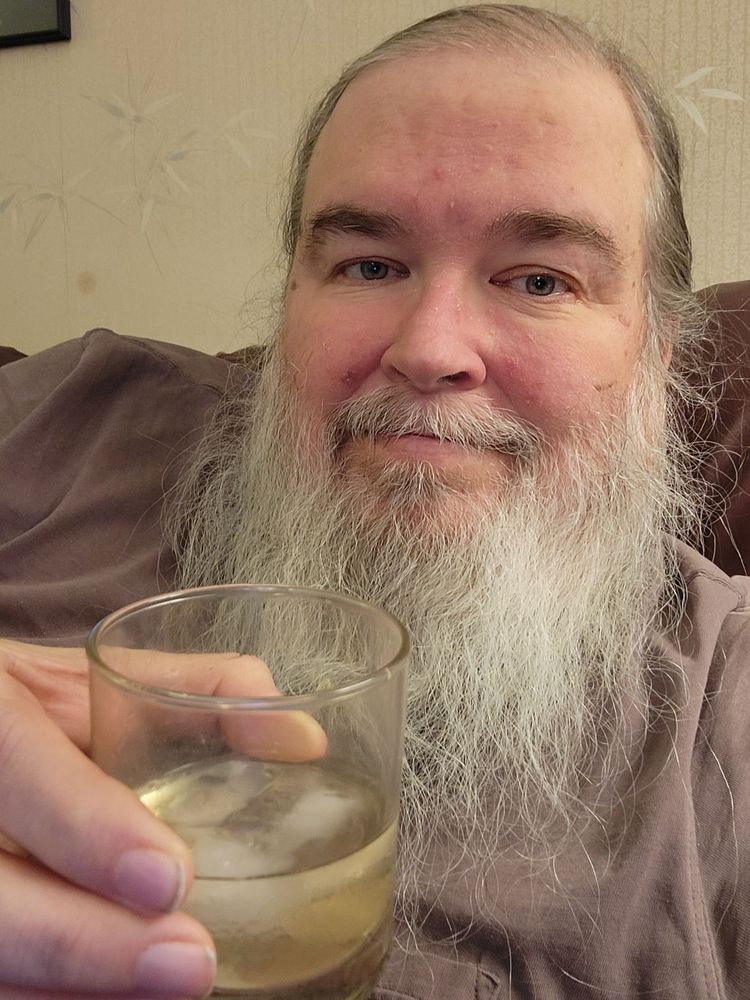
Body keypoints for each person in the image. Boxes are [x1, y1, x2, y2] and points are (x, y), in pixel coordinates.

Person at [0, 4, 748, 997]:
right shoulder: (62, 421)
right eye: (370, 265)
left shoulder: (725, 709)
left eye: (538, 279)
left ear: (656, 364)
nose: (430, 347)